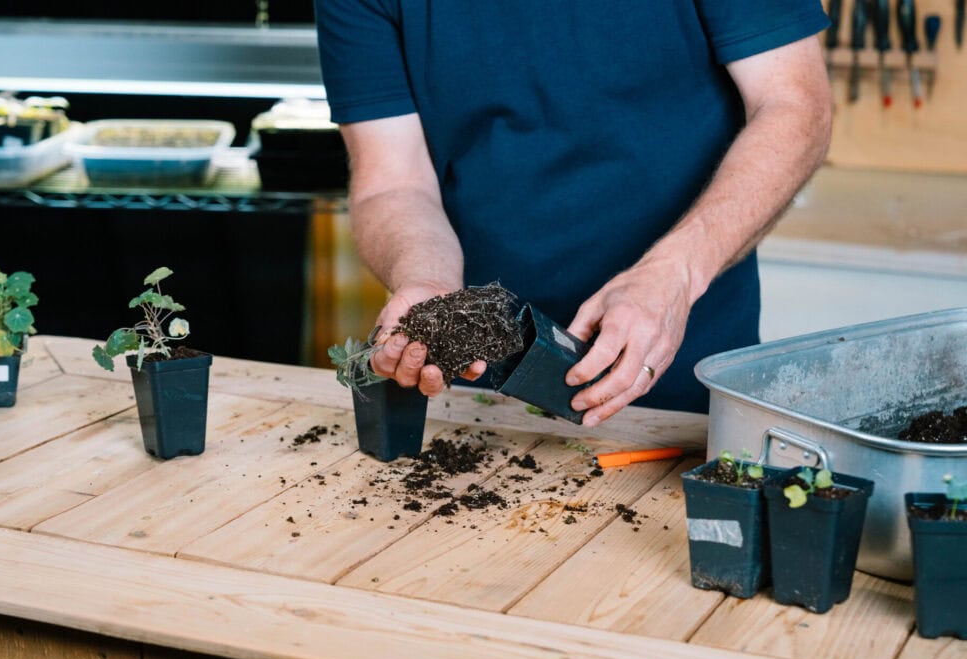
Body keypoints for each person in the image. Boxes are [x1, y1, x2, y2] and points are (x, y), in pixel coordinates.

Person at [313, 2, 832, 424]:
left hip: (684, 379)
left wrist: (675, 273)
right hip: (479, 390)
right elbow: (393, 182)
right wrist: (426, 283)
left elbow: (795, 105)